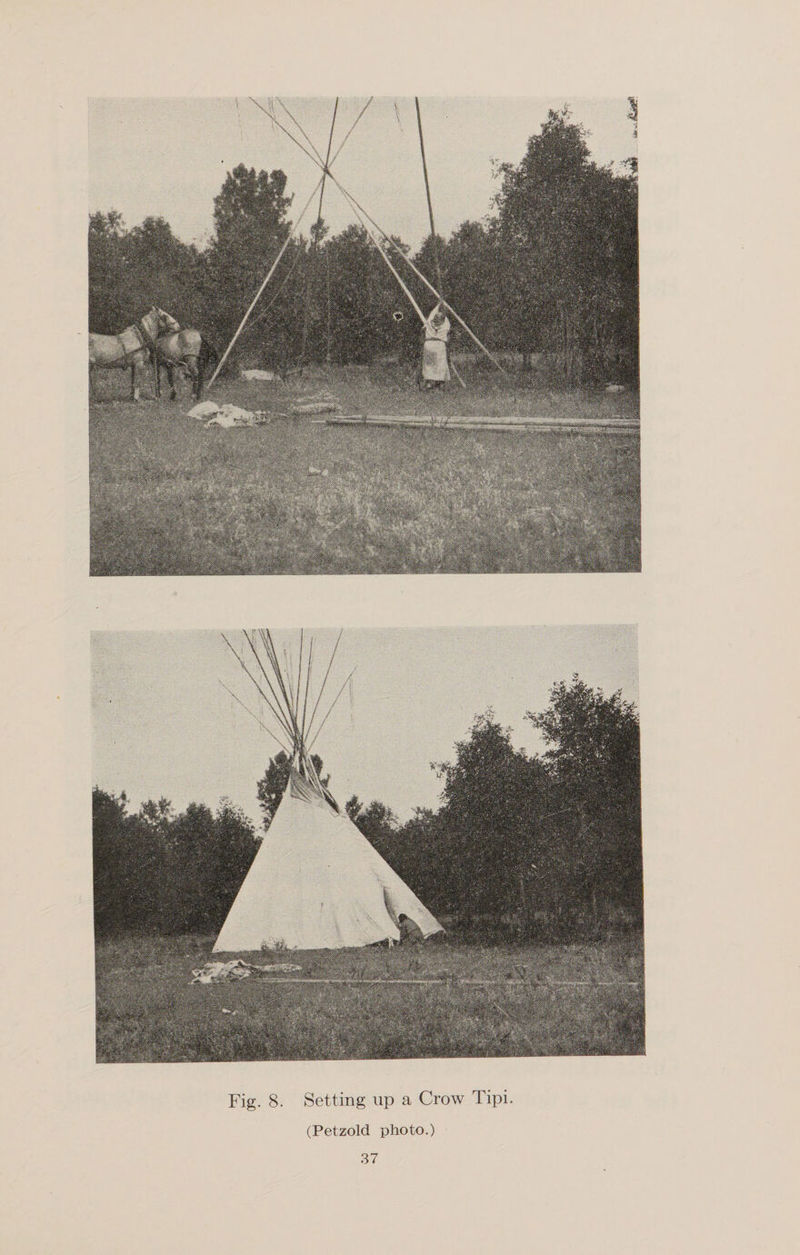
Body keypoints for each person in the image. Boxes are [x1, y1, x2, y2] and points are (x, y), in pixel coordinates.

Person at [420, 301, 451, 389]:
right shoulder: (446, 324)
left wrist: (438, 304)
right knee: (440, 364)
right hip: (439, 345)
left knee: (428, 364)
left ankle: (429, 383)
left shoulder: (429, 322)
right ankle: (440, 383)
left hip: (428, 344)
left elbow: (432, 314)